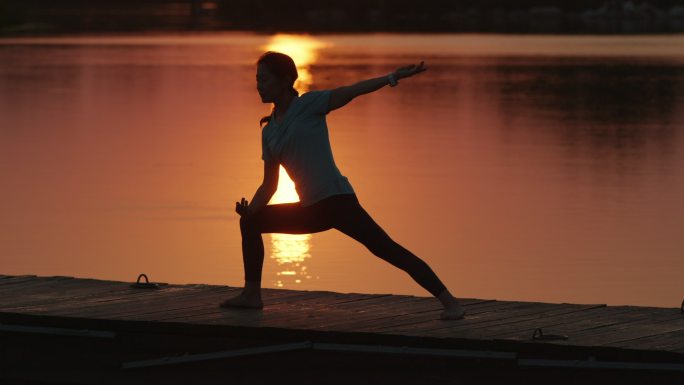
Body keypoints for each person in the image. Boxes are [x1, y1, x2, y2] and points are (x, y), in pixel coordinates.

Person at [220, 51, 466, 320]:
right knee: (251, 222)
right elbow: (269, 184)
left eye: (264, 79)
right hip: (310, 209)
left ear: (285, 80)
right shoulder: (269, 131)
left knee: (386, 249)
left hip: (337, 201)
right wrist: (251, 210)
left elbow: (353, 91)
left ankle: (450, 302)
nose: (259, 85)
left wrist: (392, 77)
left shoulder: (310, 105)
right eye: (257, 79)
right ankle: (252, 296)